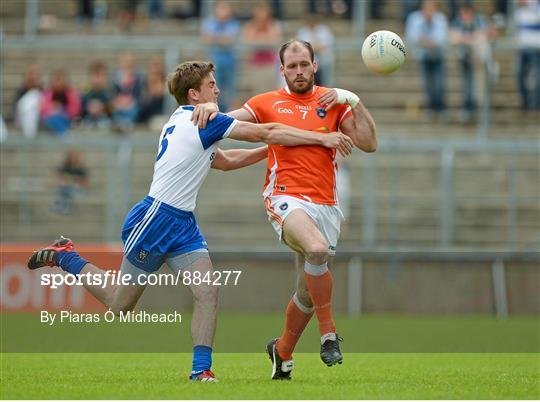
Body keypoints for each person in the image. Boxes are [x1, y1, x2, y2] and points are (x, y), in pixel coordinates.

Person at [27, 61, 353, 382]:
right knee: (118, 305)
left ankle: (201, 370)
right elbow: (266, 130)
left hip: (183, 223)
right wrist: (318, 138)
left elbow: (222, 161)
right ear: (195, 93)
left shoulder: (189, 118)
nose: (218, 88)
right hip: (155, 218)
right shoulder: (204, 121)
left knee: (208, 291)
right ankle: (66, 255)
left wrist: (271, 153)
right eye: (212, 84)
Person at [195, 39, 376, 380]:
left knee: (307, 292)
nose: (298, 71)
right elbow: (227, 124)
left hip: (326, 204)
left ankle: (282, 352)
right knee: (317, 250)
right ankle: (329, 335)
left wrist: (353, 99)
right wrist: (207, 110)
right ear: (282, 70)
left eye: (303, 65)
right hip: (285, 197)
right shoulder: (266, 102)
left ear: (314, 66)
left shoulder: (332, 102)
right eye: (291, 66)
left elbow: (369, 143)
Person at [406, 0, 448, 120]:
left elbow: (440, 39)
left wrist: (424, 40)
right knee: (427, 84)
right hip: (423, 56)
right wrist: (428, 41)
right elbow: (412, 37)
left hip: (438, 56)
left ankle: (440, 107)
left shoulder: (440, 19)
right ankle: (430, 107)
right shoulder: (415, 18)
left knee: (440, 83)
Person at [450, 4, 490, 123]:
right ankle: (468, 109)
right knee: (467, 85)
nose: (464, 16)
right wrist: (471, 39)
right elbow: (453, 37)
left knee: (480, 88)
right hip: (465, 59)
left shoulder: (479, 20)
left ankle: (480, 112)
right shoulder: (458, 22)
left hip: (480, 62)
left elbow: (483, 37)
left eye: (466, 13)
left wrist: (465, 38)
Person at [201, 1, 240, 111]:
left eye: (226, 8)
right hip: (213, 62)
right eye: (221, 8)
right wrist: (222, 39)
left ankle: (230, 114)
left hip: (230, 62)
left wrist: (215, 38)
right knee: (212, 88)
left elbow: (229, 40)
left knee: (230, 90)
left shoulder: (233, 23)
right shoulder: (208, 22)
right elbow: (206, 38)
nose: (223, 12)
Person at [241, 3, 283, 92]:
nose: (261, 20)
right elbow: (248, 42)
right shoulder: (250, 26)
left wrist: (258, 41)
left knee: (270, 90)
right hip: (255, 65)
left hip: (270, 65)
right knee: (257, 91)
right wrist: (265, 41)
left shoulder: (273, 26)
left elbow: (275, 42)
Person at [297, 13, 335, 87]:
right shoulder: (303, 31)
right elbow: (301, 46)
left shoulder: (324, 30)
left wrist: (315, 47)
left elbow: (328, 44)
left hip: (324, 60)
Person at [515, 0, 540, 111]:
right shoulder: (519, 10)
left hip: (536, 49)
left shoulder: (536, 6)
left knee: (537, 77)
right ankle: (525, 102)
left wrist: (530, 5)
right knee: (519, 74)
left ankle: (537, 103)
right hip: (522, 48)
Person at [40, 69, 81, 137]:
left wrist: (62, 111)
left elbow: (75, 110)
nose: (59, 82)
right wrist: (54, 109)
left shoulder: (71, 94)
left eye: (61, 79)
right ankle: (64, 135)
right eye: (56, 79)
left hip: (67, 120)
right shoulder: (47, 94)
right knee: (55, 119)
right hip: (50, 120)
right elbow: (44, 111)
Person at [111, 52, 145, 132]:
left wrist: (131, 101)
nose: (128, 64)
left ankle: (127, 124)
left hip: (133, 106)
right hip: (119, 105)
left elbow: (140, 95)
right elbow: (112, 94)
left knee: (133, 110)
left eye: (130, 62)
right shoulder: (115, 77)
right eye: (126, 62)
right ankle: (119, 124)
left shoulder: (139, 78)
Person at [14, 64, 43, 139]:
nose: (32, 77)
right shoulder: (20, 92)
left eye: (34, 74)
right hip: (22, 118)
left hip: (38, 118)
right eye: (30, 74)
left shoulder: (43, 91)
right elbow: (16, 109)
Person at [81, 60, 112, 129]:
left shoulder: (109, 91)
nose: (98, 79)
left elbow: (111, 110)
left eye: (101, 75)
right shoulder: (85, 92)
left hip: (105, 119)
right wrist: (89, 107)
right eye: (95, 76)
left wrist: (103, 107)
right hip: (88, 118)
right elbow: (81, 108)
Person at [138, 56, 165, 124]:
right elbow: (142, 104)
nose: (156, 68)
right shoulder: (143, 82)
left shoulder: (167, 82)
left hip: (162, 115)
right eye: (153, 65)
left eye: (158, 65)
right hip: (145, 116)